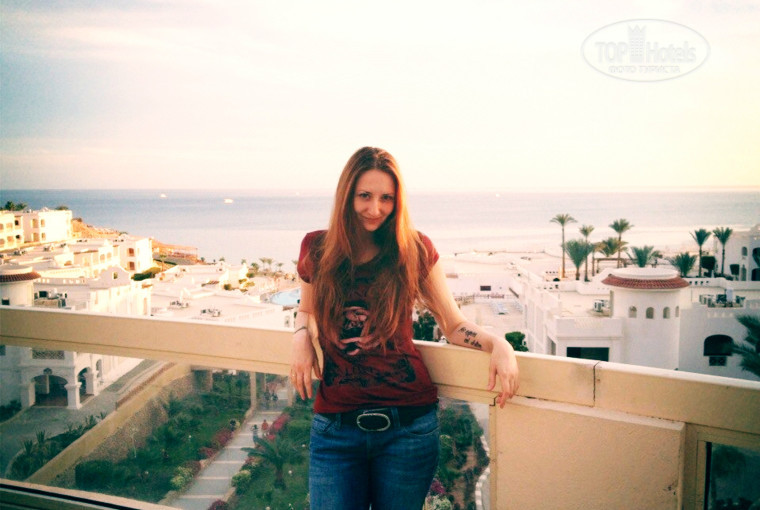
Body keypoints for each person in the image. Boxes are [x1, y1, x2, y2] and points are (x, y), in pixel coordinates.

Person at [290, 147, 519, 510]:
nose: (375, 208)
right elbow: (306, 310)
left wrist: (499, 345)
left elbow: (453, 324)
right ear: (347, 195)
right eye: (365, 196)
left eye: (386, 198)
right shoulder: (317, 248)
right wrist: (301, 337)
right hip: (336, 428)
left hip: (408, 429)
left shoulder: (414, 249)